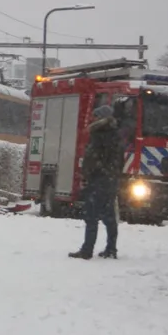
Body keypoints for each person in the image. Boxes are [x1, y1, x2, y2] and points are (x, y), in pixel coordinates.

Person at [70, 104, 124, 259]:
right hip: (110, 180)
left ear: (101, 118)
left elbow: (93, 158)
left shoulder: (99, 133)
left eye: (96, 116)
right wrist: (112, 174)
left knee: (91, 216)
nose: (93, 119)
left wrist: (89, 174)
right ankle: (111, 249)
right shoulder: (116, 134)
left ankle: (87, 250)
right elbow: (119, 160)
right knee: (109, 216)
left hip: (98, 180)